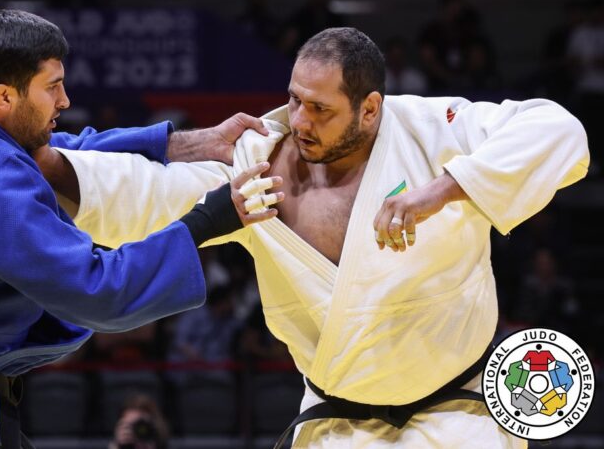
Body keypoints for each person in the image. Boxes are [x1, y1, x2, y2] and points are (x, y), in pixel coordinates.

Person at [38, 26, 590, 447]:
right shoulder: (258, 166)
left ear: (370, 109)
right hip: (338, 424)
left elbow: (558, 131)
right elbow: (143, 193)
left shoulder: (434, 130)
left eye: (320, 108)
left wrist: (443, 190)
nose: (299, 119)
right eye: (295, 98)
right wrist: (39, 162)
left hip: (459, 417)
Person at [0, 9, 285, 449]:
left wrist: (184, 142)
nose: (65, 100)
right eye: (52, 87)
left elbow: (62, 151)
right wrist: (207, 221)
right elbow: (99, 291)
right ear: (5, 97)